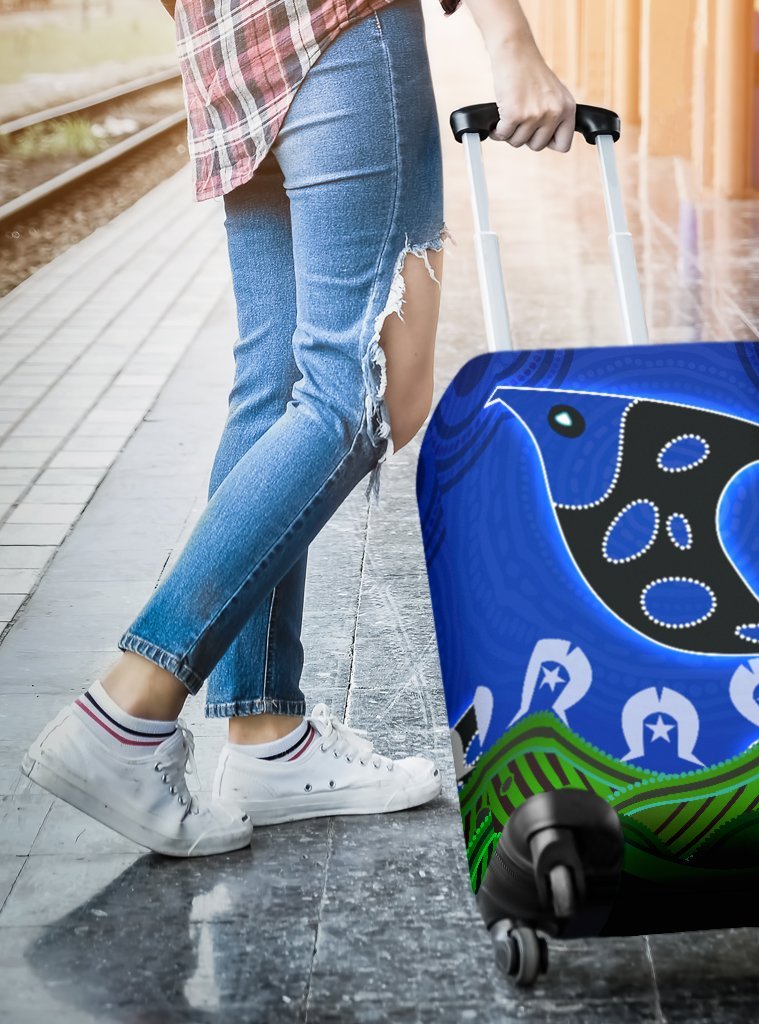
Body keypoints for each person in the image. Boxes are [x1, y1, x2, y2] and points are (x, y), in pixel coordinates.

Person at [21, 0, 576, 857]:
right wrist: (512, 43)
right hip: (341, 27)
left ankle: (265, 735)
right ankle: (127, 711)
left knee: (276, 385)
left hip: (228, 50)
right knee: (361, 391)